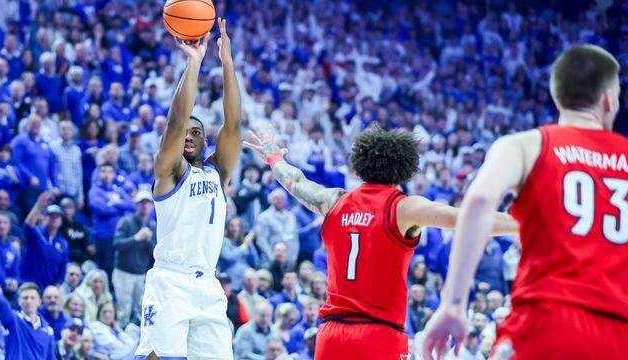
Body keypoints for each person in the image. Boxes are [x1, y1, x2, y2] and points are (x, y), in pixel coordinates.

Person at [422, 45, 628, 359]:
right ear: (608, 99)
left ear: (558, 95)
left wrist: (452, 304)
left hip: (544, 322)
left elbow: (478, 200)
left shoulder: (526, 144)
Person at [244, 126, 518, 359]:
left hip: (332, 336)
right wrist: (523, 223)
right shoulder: (404, 208)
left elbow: (295, 181)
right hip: (379, 335)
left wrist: (274, 156)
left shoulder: (334, 200)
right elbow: (467, 218)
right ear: (404, 168)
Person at [135, 18, 242, 360]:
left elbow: (234, 123)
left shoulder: (217, 171)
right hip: (170, 280)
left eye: (197, 133)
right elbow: (177, 121)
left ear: (206, 142)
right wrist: (194, 64)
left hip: (208, 285)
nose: (189, 135)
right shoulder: (167, 172)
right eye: (186, 133)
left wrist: (227, 63)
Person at [0, 255, 55, 360]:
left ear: (40, 302)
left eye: (32, 298)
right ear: (19, 301)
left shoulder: (48, 330)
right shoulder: (13, 320)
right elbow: (1, 304)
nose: (28, 301)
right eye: (25, 298)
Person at [112, 190, 156, 327]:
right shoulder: (126, 222)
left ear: (152, 206)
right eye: (142, 203)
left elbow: (155, 254)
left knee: (139, 311)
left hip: (140, 275)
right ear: (136, 205)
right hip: (123, 272)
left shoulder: (153, 226)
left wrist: (149, 242)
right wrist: (136, 238)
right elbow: (116, 244)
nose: (145, 206)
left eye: (148, 203)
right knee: (123, 311)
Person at [20, 192, 69, 289]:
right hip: (29, 284)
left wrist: (56, 287)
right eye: (51, 216)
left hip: (49, 288)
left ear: (61, 221)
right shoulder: (37, 233)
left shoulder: (63, 243)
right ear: (44, 217)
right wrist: (38, 206)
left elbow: (62, 270)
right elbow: (27, 226)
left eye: (57, 217)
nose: (54, 219)